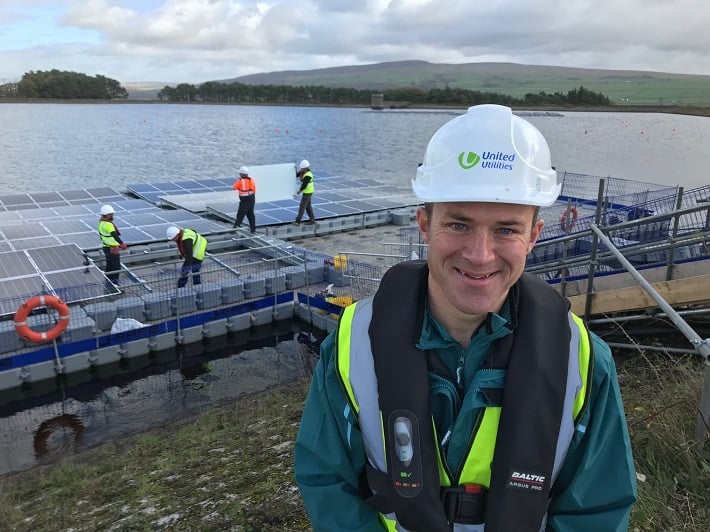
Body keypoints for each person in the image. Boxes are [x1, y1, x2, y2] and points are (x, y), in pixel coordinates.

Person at [294, 104, 637, 531]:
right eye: (458, 225)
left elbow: (597, 510)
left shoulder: (583, 362)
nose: (479, 256)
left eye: (506, 230)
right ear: (424, 224)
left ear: (534, 235)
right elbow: (327, 482)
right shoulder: (353, 346)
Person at [97, 204, 127, 286]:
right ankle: (114, 284)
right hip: (112, 249)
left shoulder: (101, 222)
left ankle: (108, 281)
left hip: (106, 247)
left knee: (110, 265)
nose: (112, 216)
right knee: (116, 267)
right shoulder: (108, 224)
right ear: (106, 214)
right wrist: (122, 244)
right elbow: (114, 235)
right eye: (111, 214)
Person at [232, 165, 257, 233]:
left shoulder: (240, 181)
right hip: (252, 198)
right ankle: (253, 230)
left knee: (240, 214)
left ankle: (235, 229)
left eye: (240, 173)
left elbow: (234, 187)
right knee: (250, 214)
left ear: (242, 174)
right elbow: (254, 189)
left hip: (245, 200)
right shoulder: (251, 180)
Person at [293, 159, 316, 225]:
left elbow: (304, 185)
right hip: (306, 191)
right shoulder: (302, 172)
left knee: (302, 206)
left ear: (306, 167)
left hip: (308, 192)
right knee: (308, 206)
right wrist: (294, 169)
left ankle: (298, 221)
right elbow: (296, 175)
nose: (301, 169)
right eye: (301, 168)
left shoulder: (308, 175)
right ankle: (312, 220)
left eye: (302, 168)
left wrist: (297, 193)